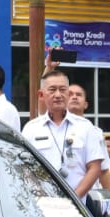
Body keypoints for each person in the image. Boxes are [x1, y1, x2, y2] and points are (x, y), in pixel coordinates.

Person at [22, 70, 105, 198]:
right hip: (44, 206)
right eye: (52, 89)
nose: (58, 94)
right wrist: (43, 197)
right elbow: (26, 168)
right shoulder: (31, 128)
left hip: (80, 207)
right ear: (42, 94)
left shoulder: (85, 127)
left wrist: (74, 199)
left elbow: (95, 167)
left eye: (63, 90)